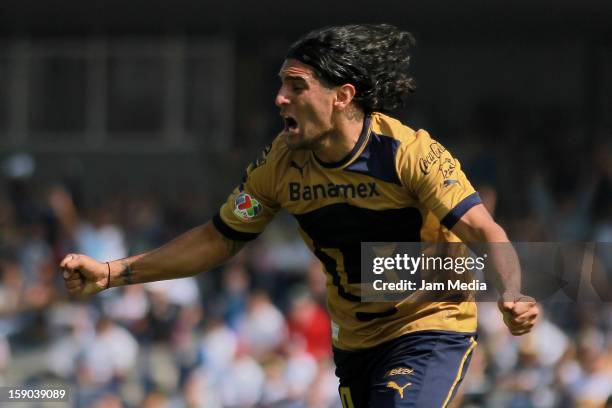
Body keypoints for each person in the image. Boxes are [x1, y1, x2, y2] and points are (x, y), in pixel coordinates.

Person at [61, 24, 539, 407]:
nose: (280, 99)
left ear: (343, 96)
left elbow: (481, 228)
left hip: (429, 322)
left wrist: (512, 292)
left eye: (296, 87)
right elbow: (219, 237)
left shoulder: (409, 153)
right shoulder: (278, 167)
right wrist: (112, 272)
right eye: (280, 86)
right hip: (355, 341)